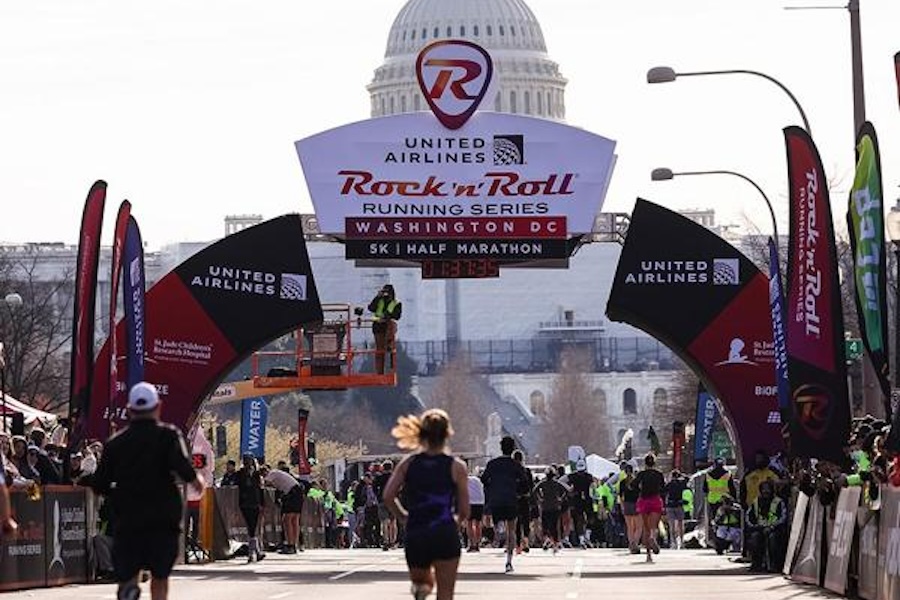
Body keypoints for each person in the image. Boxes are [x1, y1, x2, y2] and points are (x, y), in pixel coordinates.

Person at [90, 382, 204, 600]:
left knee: (128, 573)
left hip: (129, 519)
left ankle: (129, 591)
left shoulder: (115, 444)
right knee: (160, 576)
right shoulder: (168, 436)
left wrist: (116, 494)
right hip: (163, 521)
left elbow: (99, 485)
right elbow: (185, 470)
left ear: (130, 410)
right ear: (158, 407)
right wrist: (196, 481)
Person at [383, 409, 469, 600]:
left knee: (422, 584)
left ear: (421, 433)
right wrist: (455, 522)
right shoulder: (457, 467)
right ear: (447, 433)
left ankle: (422, 591)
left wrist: (403, 516)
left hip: (417, 532)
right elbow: (464, 509)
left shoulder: (408, 464)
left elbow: (388, 496)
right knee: (446, 595)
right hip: (444, 530)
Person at [481, 435, 527, 573]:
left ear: (501, 448)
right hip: (511, 499)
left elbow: (484, 479)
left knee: (498, 520)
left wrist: (491, 488)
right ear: (513, 449)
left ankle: (499, 526)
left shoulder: (492, 463)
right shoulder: (516, 465)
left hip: (496, 499)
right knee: (512, 530)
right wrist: (519, 491)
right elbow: (525, 482)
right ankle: (508, 561)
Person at [745, 480, 787, 572]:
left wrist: (772, 527)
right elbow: (749, 517)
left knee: (773, 539)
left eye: (768, 489)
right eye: (763, 489)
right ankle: (756, 564)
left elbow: (783, 517)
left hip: (775, 529)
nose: (766, 492)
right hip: (759, 529)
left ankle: (774, 565)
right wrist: (756, 526)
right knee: (755, 538)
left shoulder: (779, 502)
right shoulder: (755, 502)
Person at [262, 465, 304, 554]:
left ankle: (290, 545)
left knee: (287, 519)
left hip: (292, 493)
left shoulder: (272, 473)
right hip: (297, 491)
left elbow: (265, 483)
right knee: (294, 519)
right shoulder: (278, 474)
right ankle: (294, 544)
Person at [634, 454, 665, 563]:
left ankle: (648, 555)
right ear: (654, 463)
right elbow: (663, 488)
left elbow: (633, 485)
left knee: (646, 528)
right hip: (655, 500)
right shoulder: (659, 474)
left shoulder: (641, 474)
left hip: (644, 500)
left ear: (645, 463)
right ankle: (653, 537)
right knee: (654, 526)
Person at [235, 454, 266, 563]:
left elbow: (261, 490)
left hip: (255, 503)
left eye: (250, 461)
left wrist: (262, 504)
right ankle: (254, 553)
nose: (248, 463)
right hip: (245, 503)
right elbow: (237, 485)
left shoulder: (257, 475)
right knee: (251, 527)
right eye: (246, 461)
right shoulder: (239, 474)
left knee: (252, 528)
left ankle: (254, 552)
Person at [368, 284, 402, 375]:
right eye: (384, 292)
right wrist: (377, 297)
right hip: (378, 326)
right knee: (379, 351)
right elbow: (371, 308)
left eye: (387, 292)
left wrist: (388, 316)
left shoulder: (396, 303)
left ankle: (389, 343)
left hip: (388, 325)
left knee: (392, 324)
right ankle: (380, 372)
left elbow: (397, 316)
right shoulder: (379, 300)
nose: (386, 294)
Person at [533, 467, 568, 553]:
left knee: (545, 525)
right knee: (555, 526)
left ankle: (547, 539)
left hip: (545, 507)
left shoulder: (543, 483)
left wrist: (540, 498)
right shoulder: (557, 483)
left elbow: (534, 490)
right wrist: (560, 499)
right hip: (555, 507)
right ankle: (555, 544)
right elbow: (567, 490)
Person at [512, 450, 534, 553]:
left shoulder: (511, 471)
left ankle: (517, 546)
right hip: (525, 498)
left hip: (514, 499)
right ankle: (525, 541)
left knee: (516, 522)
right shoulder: (527, 471)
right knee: (525, 521)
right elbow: (531, 487)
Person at [618, 463, 642, 554]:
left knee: (630, 527)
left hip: (627, 504)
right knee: (639, 527)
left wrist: (622, 506)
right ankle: (635, 543)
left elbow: (621, 496)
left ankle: (631, 543)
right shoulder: (636, 481)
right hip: (636, 504)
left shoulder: (622, 482)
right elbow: (640, 494)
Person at [375, 459, 398, 550]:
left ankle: (385, 541)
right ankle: (393, 541)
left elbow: (374, 487)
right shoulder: (394, 476)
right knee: (393, 522)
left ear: (383, 467)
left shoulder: (379, 477)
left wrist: (378, 496)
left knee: (384, 521)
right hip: (393, 500)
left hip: (382, 500)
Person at [664, 469, 688, 549]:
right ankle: (681, 542)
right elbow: (687, 479)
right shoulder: (681, 484)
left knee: (671, 525)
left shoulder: (669, 484)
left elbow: (663, 491)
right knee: (681, 525)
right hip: (679, 505)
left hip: (670, 505)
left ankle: (673, 542)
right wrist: (682, 475)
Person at [466, 469, 485, 552]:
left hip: (470, 502)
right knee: (478, 524)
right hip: (479, 503)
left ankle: (471, 544)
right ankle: (477, 544)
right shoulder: (478, 480)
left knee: (469, 524)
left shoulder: (464, 480)